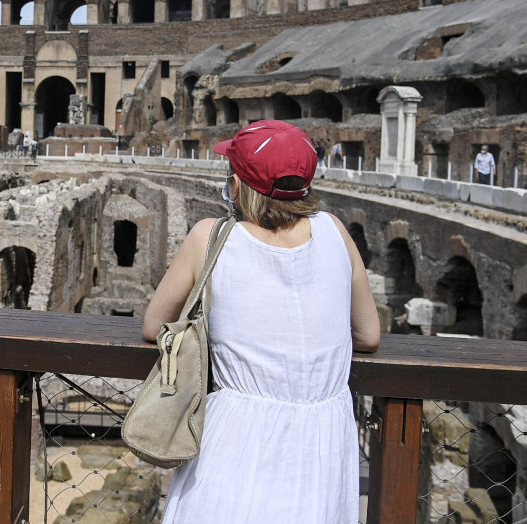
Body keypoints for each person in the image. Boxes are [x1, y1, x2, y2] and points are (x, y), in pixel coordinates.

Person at [142, 119, 381, 523]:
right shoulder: (334, 231)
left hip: (238, 435)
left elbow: (154, 326)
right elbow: (369, 335)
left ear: (237, 185)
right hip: (321, 440)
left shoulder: (209, 236)